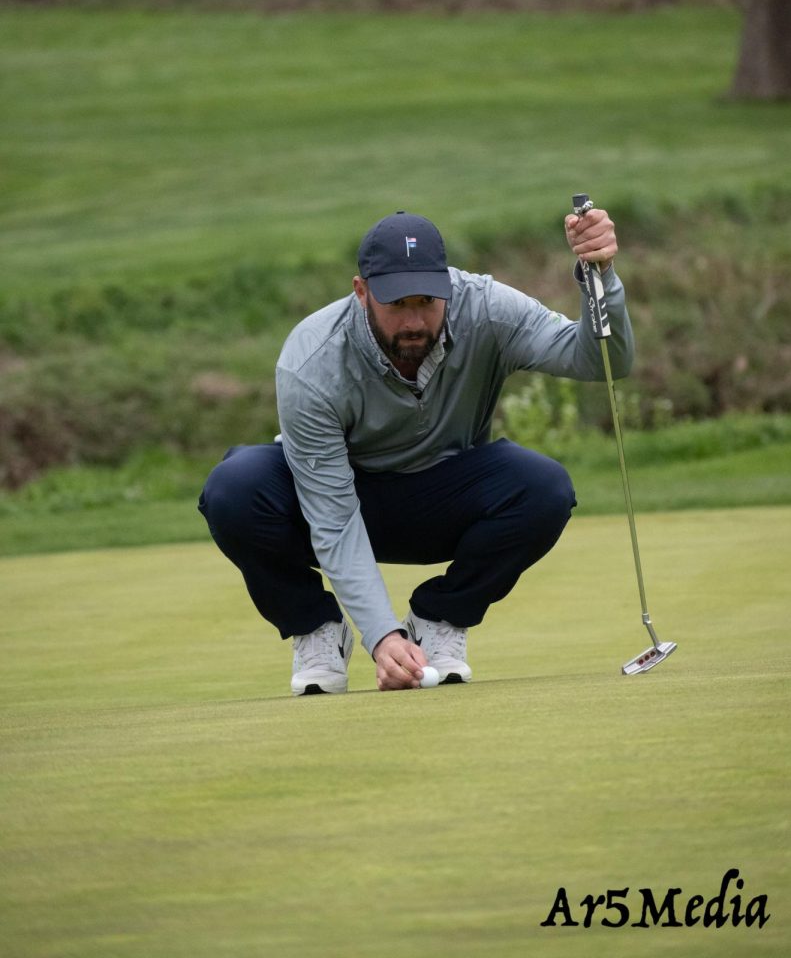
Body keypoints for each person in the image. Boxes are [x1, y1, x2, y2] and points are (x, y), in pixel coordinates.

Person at [199, 204, 634, 695]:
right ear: (361, 292)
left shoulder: (486, 306)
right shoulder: (311, 359)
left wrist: (600, 277)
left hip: (441, 497)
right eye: (396, 303)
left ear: (448, 284)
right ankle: (316, 629)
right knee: (234, 489)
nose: (414, 320)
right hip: (337, 496)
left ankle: (439, 617)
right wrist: (381, 635)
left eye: (427, 300)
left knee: (544, 487)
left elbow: (600, 361)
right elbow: (333, 515)